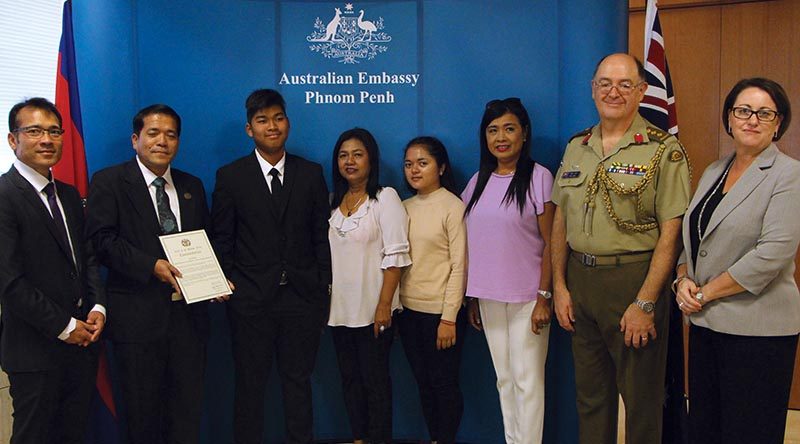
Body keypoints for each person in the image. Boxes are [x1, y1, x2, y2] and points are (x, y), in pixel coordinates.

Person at [550, 53, 691, 444]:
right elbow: (561, 220)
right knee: (590, 398)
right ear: (593, 89)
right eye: (605, 84)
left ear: (642, 91)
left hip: (633, 280)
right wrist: (559, 286)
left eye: (625, 84)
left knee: (642, 401)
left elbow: (671, 232)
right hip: (581, 280)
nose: (613, 92)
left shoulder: (663, 150)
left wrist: (645, 302)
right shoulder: (577, 146)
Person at [675, 78, 799, 444]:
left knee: (748, 433)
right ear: (729, 119)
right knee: (705, 429)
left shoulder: (789, 175)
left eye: (765, 113)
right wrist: (682, 279)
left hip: (758, 332)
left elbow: (772, 252)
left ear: (779, 123)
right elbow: (692, 237)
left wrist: (706, 293)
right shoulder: (714, 170)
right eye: (743, 111)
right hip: (706, 326)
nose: (752, 119)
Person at [86, 104, 214, 444]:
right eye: (153, 133)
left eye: (171, 135)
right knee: (143, 417)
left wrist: (215, 278)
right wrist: (150, 266)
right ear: (135, 139)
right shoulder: (110, 181)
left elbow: (205, 242)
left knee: (186, 412)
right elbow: (101, 240)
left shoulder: (192, 186)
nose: (163, 141)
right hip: (137, 322)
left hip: (189, 321)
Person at [211, 89, 331, 444]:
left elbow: (320, 236)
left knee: (298, 383)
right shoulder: (230, 176)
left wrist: (322, 289)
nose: (272, 126)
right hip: (249, 301)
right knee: (250, 385)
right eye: (262, 120)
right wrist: (224, 280)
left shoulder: (310, 173)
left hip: (301, 299)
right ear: (250, 129)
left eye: (278, 118)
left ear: (288, 123)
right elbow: (223, 237)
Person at [0, 97, 106, 444]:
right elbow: (9, 282)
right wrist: (64, 326)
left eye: (54, 131)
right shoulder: (4, 195)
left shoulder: (71, 195)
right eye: (34, 131)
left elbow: (86, 258)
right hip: (35, 349)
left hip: (81, 346)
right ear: (13, 140)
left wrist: (97, 307)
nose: (46, 139)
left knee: (72, 434)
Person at [462, 97, 554, 443]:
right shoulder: (477, 182)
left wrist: (545, 296)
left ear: (524, 133)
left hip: (529, 298)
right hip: (488, 298)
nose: (501, 137)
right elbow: (473, 243)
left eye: (509, 128)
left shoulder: (540, 177)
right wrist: (472, 298)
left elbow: (551, 243)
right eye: (493, 130)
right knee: (504, 379)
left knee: (527, 380)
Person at [327, 128, 411, 444]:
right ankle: (359, 438)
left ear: (371, 159)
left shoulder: (384, 198)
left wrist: (383, 305)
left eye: (358, 154)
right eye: (343, 155)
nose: (350, 161)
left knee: (376, 384)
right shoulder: (332, 203)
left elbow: (396, 256)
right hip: (339, 312)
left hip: (375, 311)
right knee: (349, 381)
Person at [398, 136, 467, 444]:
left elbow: (459, 265)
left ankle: (446, 438)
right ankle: (435, 438)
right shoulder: (402, 206)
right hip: (408, 313)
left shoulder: (453, 205)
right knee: (423, 383)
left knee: (444, 384)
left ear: (440, 167)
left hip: (441, 315)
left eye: (422, 163)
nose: (414, 170)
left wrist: (449, 318)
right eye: (409, 164)